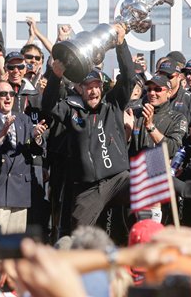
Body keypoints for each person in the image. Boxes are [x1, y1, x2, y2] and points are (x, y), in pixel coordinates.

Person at [42, 22, 135, 228]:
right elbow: (48, 107)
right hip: (88, 188)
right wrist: (55, 78)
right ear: (79, 89)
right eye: (88, 87)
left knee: (148, 194)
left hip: (119, 178)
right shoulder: (70, 108)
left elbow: (129, 78)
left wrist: (121, 45)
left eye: (96, 87)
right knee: (79, 235)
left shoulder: (112, 104)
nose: (93, 91)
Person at [0, 80, 46, 234]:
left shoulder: (23, 119)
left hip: (20, 190)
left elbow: (36, 150)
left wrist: (36, 136)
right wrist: (2, 133)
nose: (8, 97)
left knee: (15, 246)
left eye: (11, 94)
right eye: (3, 94)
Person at [126, 74, 188, 159]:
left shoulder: (177, 118)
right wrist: (127, 131)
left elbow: (173, 149)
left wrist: (150, 127)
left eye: (157, 89)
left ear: (169, 93)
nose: (152, 93)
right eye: (149, 89)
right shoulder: (134, 113)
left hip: (158, 169)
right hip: (134, 168)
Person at [156, 58, 191, 127]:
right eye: (161, 76)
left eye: (169, 76)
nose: (165, 79)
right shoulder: (151, 98)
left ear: (180, 76)